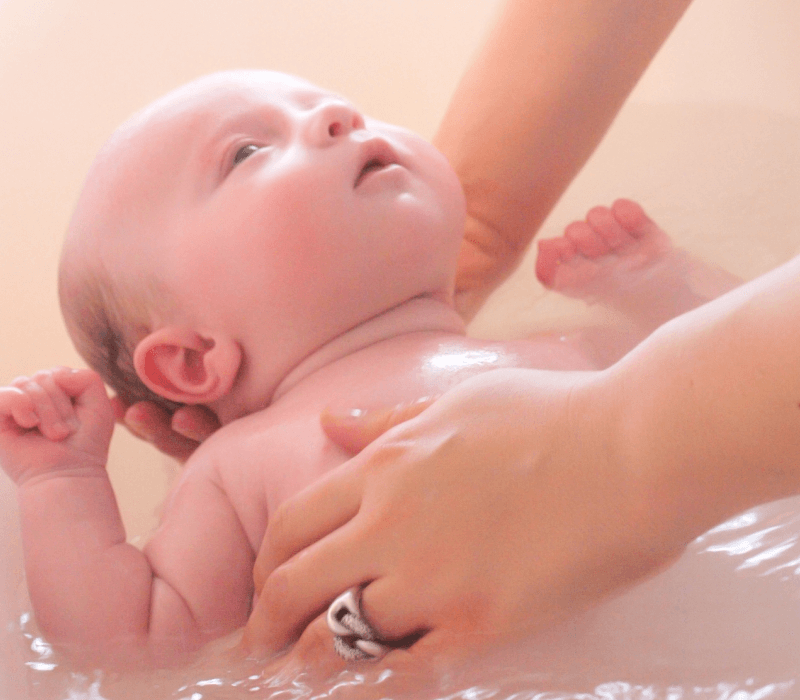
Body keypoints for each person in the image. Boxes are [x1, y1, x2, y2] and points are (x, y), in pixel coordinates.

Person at [0, 62, 733, 667]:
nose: (339, 118)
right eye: (247, 153)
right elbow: (132, 646)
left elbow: (740, 387)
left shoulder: (557, 347)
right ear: (192, 360)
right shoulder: (237, 466)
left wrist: (661, 287)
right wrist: (61, 482)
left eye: (328, 104)